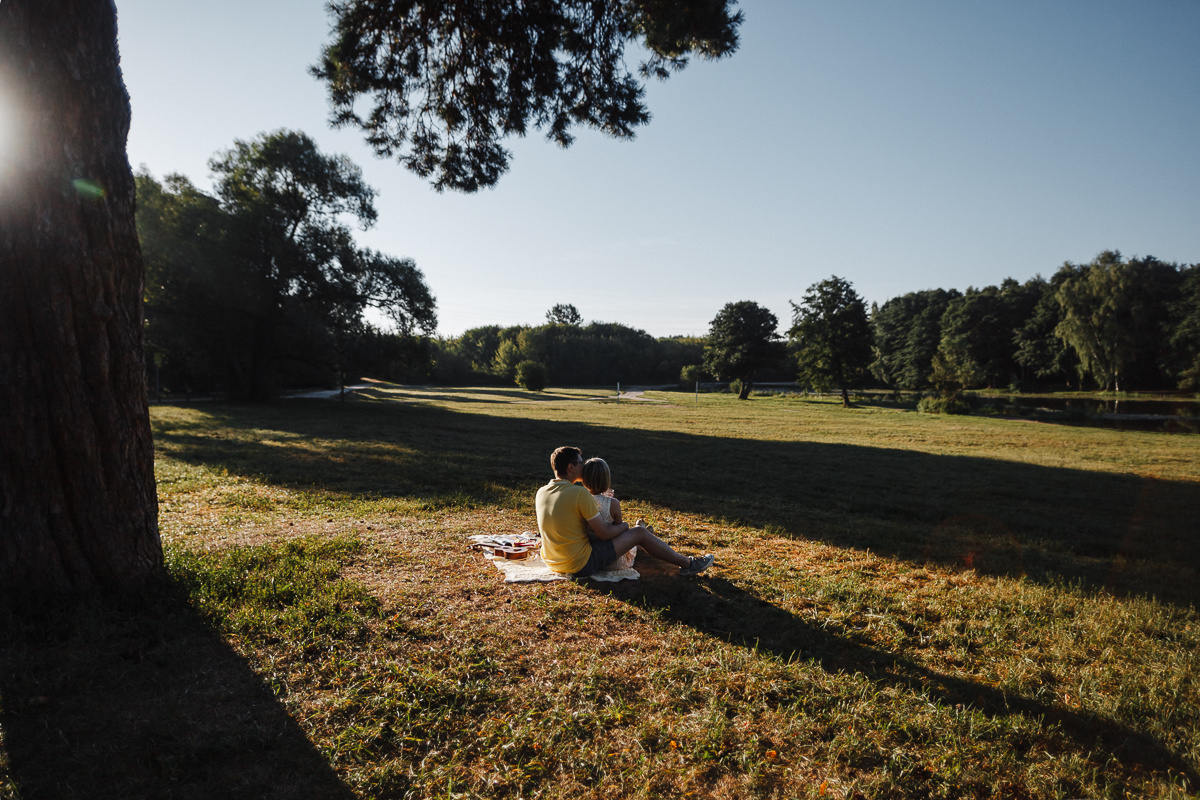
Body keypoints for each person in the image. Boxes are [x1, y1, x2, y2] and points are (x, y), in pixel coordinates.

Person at [535, 446, 714, 578]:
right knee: (639, 533)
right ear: (571, 467)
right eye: (581, 463)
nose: (585, 466)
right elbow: (605, 534)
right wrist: (625, 527)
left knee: (631, 534)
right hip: (579, 564)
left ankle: (645, 541)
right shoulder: (579, 493)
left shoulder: (542, 491)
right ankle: (688, 563)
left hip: (553, 561)